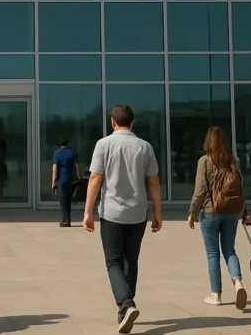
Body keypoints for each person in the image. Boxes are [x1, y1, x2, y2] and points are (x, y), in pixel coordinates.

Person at [84, 104, 162, 334]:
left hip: (112, 213)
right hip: (138, 213)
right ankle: (125, 309)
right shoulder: (144, 147)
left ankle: (126, 304)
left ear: (112, 122)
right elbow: (154, 182)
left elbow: (95, 179)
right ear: (133, 122)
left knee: (113, 262)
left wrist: (88, 211)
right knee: (131, 260)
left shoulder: (103, 144)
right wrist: (158, 212)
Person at [187, 126, 248, 310]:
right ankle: (238, 283)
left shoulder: (205, 161)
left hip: (210, 211)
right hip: (231, 212)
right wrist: (244, 213)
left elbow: (200, 190)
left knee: (213, 253)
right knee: (229, 249)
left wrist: (193, 213)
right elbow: (241, 189)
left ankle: (216, 294)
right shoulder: (233, 161)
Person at [52, 138, 80, 227]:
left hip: (61, 181)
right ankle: (67, 219)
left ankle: (66, 221)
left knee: (62, 201)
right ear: (67, 143)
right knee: (68, 201)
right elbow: (76, 166)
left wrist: (53, 181)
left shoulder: (56, 153)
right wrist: (78, 176)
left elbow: (55, 168)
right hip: (70, 180)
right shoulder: (71, 153)